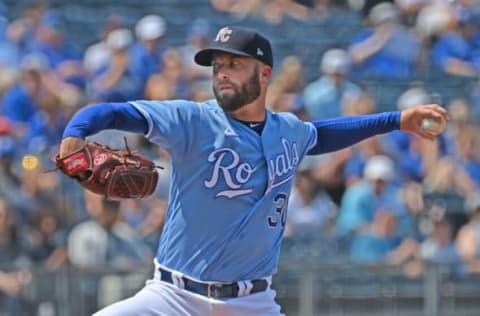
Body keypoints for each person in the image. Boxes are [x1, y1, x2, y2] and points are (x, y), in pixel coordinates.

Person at [58, 26, 448, 316]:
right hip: (172, 298)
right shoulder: (191, 120)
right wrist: (76, 133)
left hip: (253, 304)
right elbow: (114, 111)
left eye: (234, 64)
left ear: (264, 74)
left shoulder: (288, 131)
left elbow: (323, 135)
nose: (221, 72)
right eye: (217, 65)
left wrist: (396, 119)